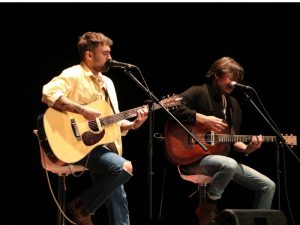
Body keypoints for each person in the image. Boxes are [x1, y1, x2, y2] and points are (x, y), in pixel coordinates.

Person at [41, 31, 149, 225]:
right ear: (89, 55)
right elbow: (48, 93)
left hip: (101, 145)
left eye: (110, 53)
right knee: (124, 167)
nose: (110, 57)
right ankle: (81, 207)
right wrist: (82, 111)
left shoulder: (108, 83)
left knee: (118, 196)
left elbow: (110, 121)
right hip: (72, 143)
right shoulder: (74, 74)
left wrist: (132, 125)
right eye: (105, 53)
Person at [168, 56, 276, 225]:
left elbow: (234, 141)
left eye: (238, 80)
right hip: (192, 160)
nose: (234, 83)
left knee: (268, 186)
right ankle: (208, 206)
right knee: (230, 164)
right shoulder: (199, 91)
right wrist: (201, 119)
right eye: (231, 78)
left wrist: (248, 149)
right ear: (217, 75)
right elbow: (170, 106)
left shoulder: (233, 105)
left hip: (221, 161)